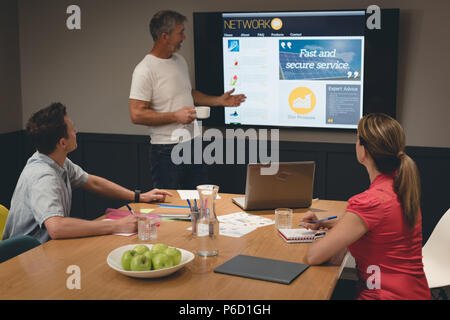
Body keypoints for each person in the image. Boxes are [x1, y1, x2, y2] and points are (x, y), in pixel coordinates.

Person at [301, 113, 430, 300]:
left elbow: (313, 256)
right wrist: (326, 224)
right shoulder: (401, 187)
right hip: (414, 292)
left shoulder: (369, 202)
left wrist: (326, 237)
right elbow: (376, 228)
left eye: (357, 140)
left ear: (364, 150)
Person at [2, 103, 172, 243]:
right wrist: (116, 226)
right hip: (25, 259)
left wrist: (138, 197)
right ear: (62, 143)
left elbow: (92, 182)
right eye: (72, 129)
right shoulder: (42, 176)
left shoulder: (56, 160)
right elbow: (57, 228)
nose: (76, 132)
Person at [129, 10, 246, 189]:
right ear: (164, 36)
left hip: (193, 142)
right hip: (166, 150)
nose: (184, 37)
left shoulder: (179, 61)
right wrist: (176, 116)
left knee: (201, 200)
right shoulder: (144, 70)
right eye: (180, 32)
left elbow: (188, 93)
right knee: (171, 206)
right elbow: (136, 114)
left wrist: (219, 101)